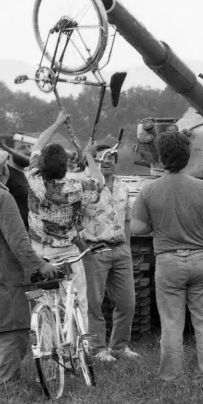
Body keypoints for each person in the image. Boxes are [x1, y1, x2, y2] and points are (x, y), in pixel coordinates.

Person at [131, 131, 203, 381]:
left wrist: (157, 223)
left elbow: (137, 228)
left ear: (161, 158)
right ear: (188, 156)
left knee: (172, 322)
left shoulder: (149, 190)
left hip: (168, 260)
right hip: (201, 258)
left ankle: (171, 377)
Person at [0, 150, 59, 389]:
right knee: (13, 329)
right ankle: (3, 387)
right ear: (5, 171)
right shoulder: (2, 197)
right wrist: (40, 265)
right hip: (2, 272)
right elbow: (18, 241)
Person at [27, 111, 103, 336]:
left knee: (47, 300)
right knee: (78, 300)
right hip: (67, 252)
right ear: (64, 167)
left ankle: (49, 340)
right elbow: (99, 183)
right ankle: (79, 341)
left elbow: (38, 145)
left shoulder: (33, 178)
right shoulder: (74, 188)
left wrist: (57, 122)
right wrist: (89, 157)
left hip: (39, 252)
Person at [81, 142, 140, 363]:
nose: (107, 161)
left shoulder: (124, 186)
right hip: (95, 250)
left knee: (127, 303)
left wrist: (127, 247)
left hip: (120, 249)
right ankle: (97, 348)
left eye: (111, 157)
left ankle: (119, 346)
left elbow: (127, 219)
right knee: (94, 303)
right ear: (93, 161)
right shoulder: (86, 186)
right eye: (102, 157)